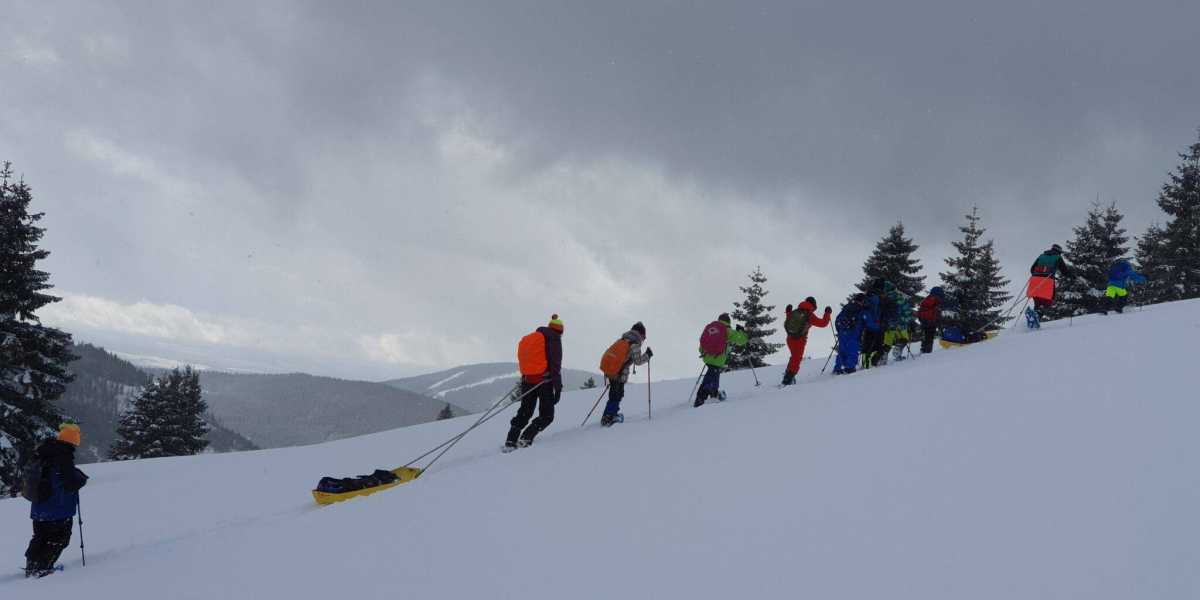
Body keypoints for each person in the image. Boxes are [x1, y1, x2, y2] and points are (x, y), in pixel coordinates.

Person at [25, 423, 88, 578]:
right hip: (58, 508)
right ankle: (44, 568)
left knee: (40, 537)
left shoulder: (43, 452)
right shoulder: (62, 455)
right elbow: (71, 483)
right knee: (60, 538)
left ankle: (32, 566)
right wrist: (81, 479)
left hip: (39, 506)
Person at [506, 315, 564, 450]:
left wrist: (524, 379)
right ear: (559, 332)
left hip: (529, 379)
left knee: (524, 412)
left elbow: (527, 361)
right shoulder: (554, 340)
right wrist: (558, 389)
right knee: (547, 415)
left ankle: (511, 440)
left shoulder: (534, 338)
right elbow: (555, 367)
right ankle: (526, 437)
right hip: (545, 382)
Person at [600, 322, 652, 427]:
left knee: (614, 394)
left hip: (612, 371)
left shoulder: (622, 340)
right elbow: (638, 361)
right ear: (641, 335)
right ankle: (609, 416)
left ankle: (609, 414)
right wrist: (647, 355)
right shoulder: (634, 344)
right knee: (617, 395)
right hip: (620, 374)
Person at [694, 313, 748, 407]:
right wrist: (741, 331)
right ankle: (701, 397)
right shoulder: (728, 330)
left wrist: (705, 353)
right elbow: (742, 340)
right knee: (710, 377)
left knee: (713, 373)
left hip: (707, 357)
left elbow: (701, 346)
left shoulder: (711, 329)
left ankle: (714, 393)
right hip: (718, 358)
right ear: (728, 321)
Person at [781, 297, 832, 385]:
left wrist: (788, 311)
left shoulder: (796, 311)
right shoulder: (810, 315)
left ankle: (788, 375)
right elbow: (823, 323)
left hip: (789, 338)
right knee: (796, 359)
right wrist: (827, 313)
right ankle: (787, 380)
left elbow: (789, 320)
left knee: (794, 357)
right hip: (799, 340)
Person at [833, 294, 879, 375]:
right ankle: (849, 368)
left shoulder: (846, 308)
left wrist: (840, 330)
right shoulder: (863, 310)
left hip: (842, 333)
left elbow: (837, 320)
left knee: (842, 351)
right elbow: (870, 324)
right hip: (854, 333)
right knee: (852, 351)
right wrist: (879, 327)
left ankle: (838, 368)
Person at [1027, 244, 1073, 318]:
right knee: (1048, 299)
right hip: (1047, 280)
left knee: (1037, 298)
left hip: (1035, 280)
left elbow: (1032, 269)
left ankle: (1036, 313)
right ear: (1059, 252)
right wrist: (1072, 276)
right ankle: (1039, 313)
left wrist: (1039, 274)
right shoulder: (1057, 257)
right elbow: (1065, 272)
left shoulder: (1041, 256)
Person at [878, 282, 916, 363]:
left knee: (887, 342)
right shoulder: (900, 299)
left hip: (888, 326)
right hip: (900, 324)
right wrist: (911, 321)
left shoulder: (884, 299)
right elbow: (907, 311)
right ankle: (898, 351)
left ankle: (883, 357)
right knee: (904, 339)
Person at [916, 286, 958, 354]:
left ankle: (923, 349)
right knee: (930, 337)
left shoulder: (928, 299)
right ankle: (927, 352)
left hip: (924, 320)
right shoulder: (936, 299)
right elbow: (943, 305)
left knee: (927, 336)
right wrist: (956, 303)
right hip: (931, 322)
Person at [861, 279, 887, 369]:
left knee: (867, 344)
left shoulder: (867, 295)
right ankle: (873, 363)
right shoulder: (882, 295)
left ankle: (865, 364)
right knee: (879, 345)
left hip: (868, 323)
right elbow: (885, 310)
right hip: (878, 323)